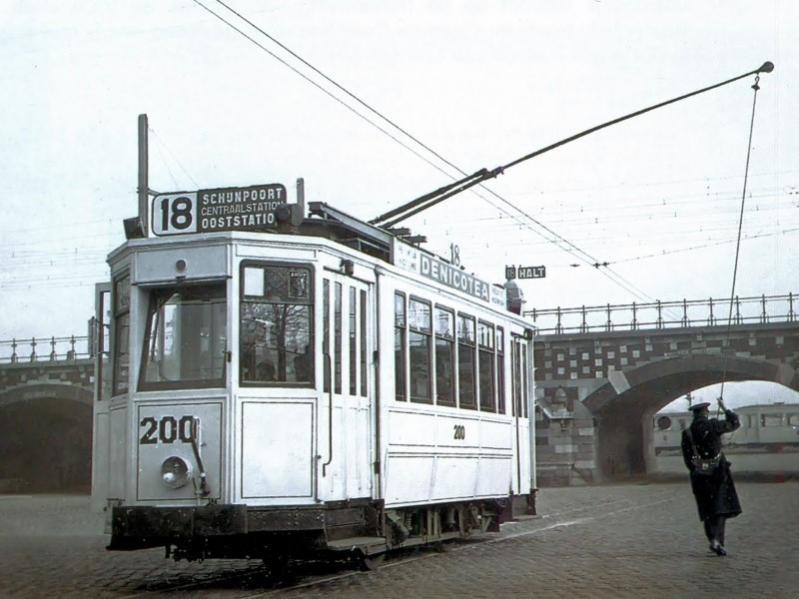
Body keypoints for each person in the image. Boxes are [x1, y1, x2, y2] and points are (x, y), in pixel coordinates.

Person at [681, 398, 742, 556]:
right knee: (719, 508)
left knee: (707, 509)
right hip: (718, 473)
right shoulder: (713, 425)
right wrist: (724, 408)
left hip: (699, 476)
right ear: (705, 412)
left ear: (694, 414)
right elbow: (734, 423)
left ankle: (712, 540)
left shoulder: (687, 433)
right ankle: (717, 541)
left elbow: (687, 458)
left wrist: (698, 469)